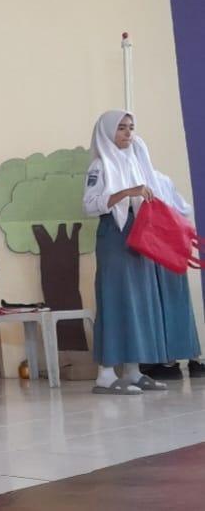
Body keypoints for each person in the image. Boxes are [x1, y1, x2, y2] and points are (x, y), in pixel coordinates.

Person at [83, 110, 201, 395]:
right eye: (121, 128)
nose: (127, 134)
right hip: (114, 236)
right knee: (115, 300)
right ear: (108, 132)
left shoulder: (135, 162)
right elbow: (88, 205)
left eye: (131, 128)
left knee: (138, 301)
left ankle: (133, 371)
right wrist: (126, 192)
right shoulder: (100, 166)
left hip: (139, 235)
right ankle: (106, 375)